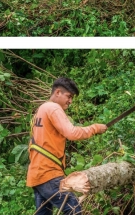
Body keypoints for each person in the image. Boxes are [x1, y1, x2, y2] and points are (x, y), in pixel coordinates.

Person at [26, 77, 107, 215]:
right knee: (73, 208)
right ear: (58, 92)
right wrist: (95, 128)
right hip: (48, 174)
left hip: (37, 175)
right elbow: (72, 133)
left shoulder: (41, 110)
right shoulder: (53, 108)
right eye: (68, 96)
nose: (70, 101)